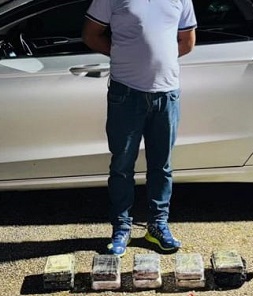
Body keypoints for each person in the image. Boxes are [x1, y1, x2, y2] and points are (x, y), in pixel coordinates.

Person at [82, 0, 197, 257]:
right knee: (122, 165)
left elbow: (187, 42)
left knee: (162, 165)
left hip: (166, 94)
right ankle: (121, 228)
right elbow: (91, 35)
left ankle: (157, 226)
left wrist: (158, 58)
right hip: (126, 93)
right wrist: (124, 54)